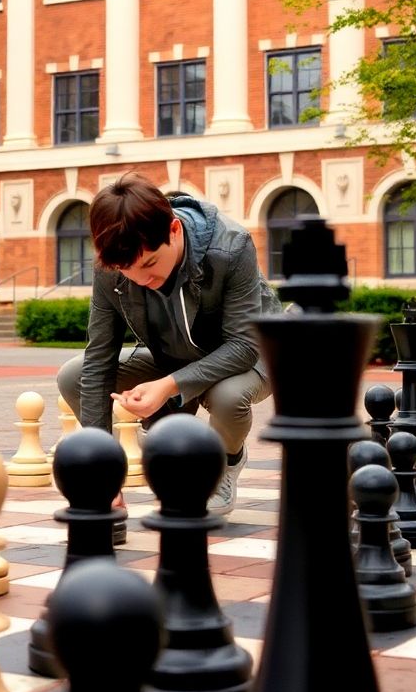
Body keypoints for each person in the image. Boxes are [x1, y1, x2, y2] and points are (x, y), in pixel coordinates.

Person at [57, 176, 279, 515]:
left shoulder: (231, 246)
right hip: (174, 358)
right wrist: (102, 472)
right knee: (73, 376)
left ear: (174, 230)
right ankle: (170, 430)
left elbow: (243, 346)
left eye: (148, 263)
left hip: (249, 356)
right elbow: (99, 360)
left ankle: (224, 463)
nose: (140, 279)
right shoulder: (112, 268)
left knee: (228, 396)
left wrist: (168, 387)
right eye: (125, 270)